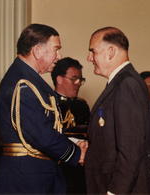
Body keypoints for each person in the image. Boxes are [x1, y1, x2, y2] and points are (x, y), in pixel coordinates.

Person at [0, 23, 87, 194]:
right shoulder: (23, 83)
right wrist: (76, 153)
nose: (59, 56)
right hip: (27, 178)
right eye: (56, 49)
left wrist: (73, 143)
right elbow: (41, 134)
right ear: (37, 51)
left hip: (35, 173)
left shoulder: (28, 79)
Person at [84, 26, 150, 195]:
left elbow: (131, 150)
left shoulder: (126, 84)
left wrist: (115, 192)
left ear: (110, 52)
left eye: (92, 51)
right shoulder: (121, 82)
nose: (89, 58)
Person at [51, 57, 90, 194]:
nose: (78, 83)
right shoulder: (47, 104)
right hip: (57, 172)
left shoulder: (82, 105)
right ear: (59, 79)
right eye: (74, 79)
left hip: (81, 172)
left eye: (81, 79)